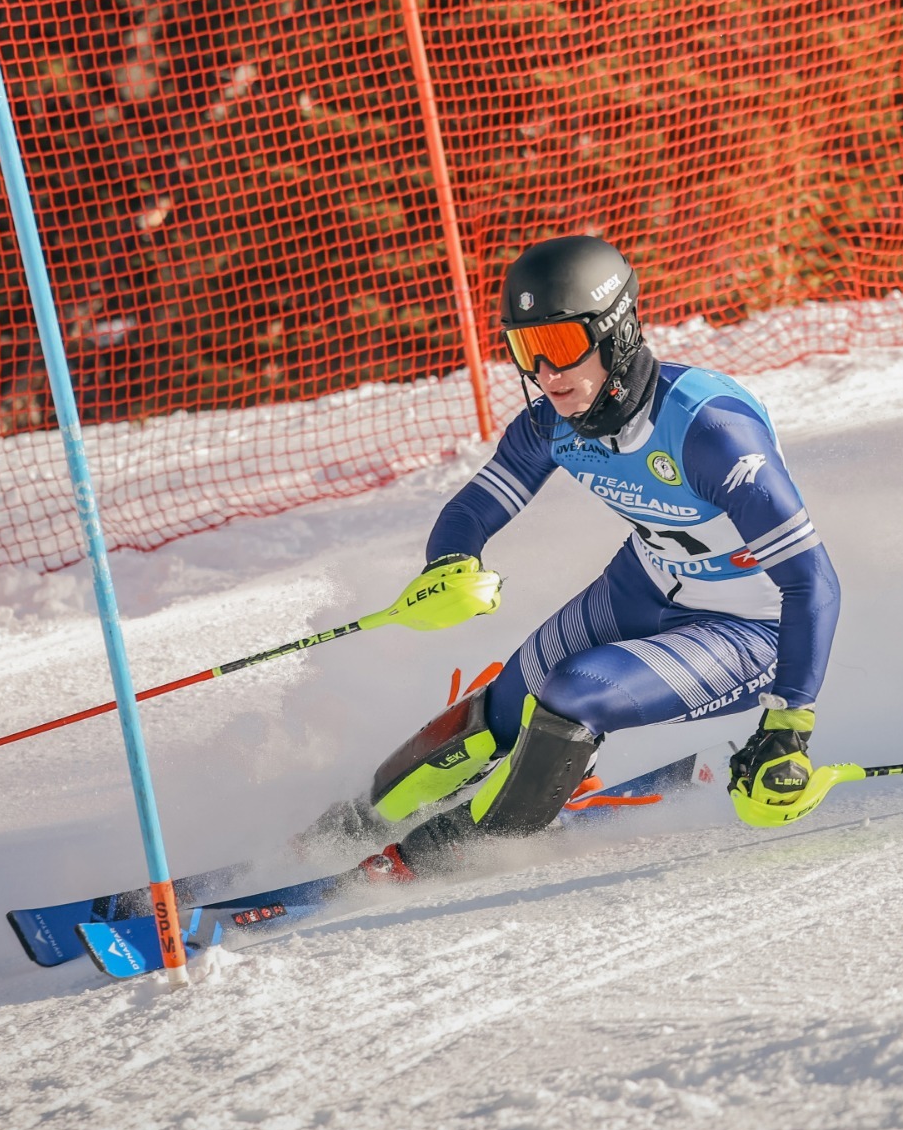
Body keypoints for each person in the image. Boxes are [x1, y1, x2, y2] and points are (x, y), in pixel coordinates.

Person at [355, 234, 841, 871]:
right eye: (528, 351)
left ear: (616, 337)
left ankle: (436, 856)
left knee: (569, 697)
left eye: (559, 347)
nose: (547, 375)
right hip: (640, 587)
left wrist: (790, 724)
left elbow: (815, 584)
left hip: (748, 628)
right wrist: (450, 564)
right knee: (503, 711)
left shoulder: (710, 434)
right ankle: (356, 823)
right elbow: (474, 508)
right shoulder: (553, 421)